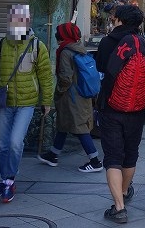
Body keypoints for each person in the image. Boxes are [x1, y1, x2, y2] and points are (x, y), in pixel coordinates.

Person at [0, 4, 53, 204]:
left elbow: (45, 75)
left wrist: (47, 101)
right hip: (4, 102)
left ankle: (9, 180)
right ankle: (6, 179)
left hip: (27, 102)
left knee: (16, 143)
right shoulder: (0, 46)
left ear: (28, 21)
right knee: (2, 145)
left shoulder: (36, 46)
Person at [94, 4, 145, 224]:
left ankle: (119, 207)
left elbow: (102, 71)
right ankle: (125, 191)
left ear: (119, 19)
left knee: (112, 157)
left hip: (111, 107)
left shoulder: (108, 42)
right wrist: (142, 101)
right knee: (130, 154)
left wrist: (103, 102)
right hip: (136, 110)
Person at [37, 22, 103, 172]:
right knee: (64, 124)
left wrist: (59, 91)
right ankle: (53, 155)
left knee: (79, 127)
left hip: (72, 96)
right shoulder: (80, 49)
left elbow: (65, 77)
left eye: (58, 33)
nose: (57, 36)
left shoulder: (65, 51)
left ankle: (95, 161)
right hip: (82, 94)